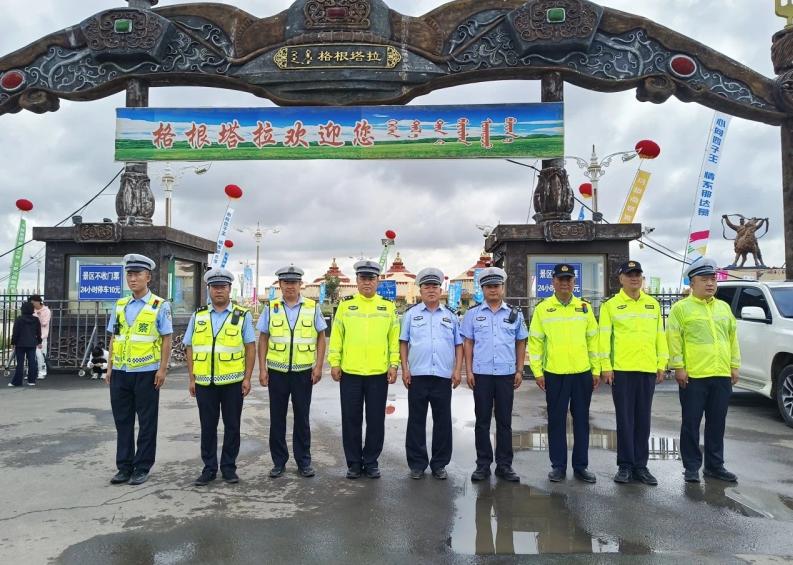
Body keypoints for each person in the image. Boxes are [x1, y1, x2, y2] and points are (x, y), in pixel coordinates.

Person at [667, 256, 740, 483]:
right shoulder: (681, 309)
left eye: (713, 279)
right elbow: (674, 340)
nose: (710, 283)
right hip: (694, 376)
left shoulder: (723, 308)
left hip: (720, 374)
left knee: (717, 422)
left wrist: (734, 365)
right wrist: (678, 367)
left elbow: (732, 338)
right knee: (691, 422)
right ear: (692, 283)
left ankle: (715, 466)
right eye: (704, 279)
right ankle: (691, 467)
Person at [529, 263, 600, 484]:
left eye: (569, 279)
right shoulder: (543, 308)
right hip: (555, 373)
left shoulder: (584, 308)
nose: (565, 283)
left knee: (581, 421)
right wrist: (538, 372)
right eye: (561, 279)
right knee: (556, 421)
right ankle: (558, 466)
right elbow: (536, 342)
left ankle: (581, 467)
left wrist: (595, 370)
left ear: (574, 282)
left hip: (581, 373)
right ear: (553, 282)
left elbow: (593, 341)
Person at [329, 260, 400, 479]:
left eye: (371, 278)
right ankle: (353, 463)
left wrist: (393, 364)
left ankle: (371, 462)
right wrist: (335, 362)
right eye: (363, 278)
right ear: (357, 281)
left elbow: (393, 339)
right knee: (351, 419)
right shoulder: (345, 305)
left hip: (378, 373)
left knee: (376, 419)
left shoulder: (388, 307)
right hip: (350, 372)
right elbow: (337, 335)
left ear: (377, 281)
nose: (367, 282)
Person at [599, 261, 668, 485]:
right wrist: (606, 367)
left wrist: (661, 363)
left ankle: (641, 466)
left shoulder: (653, 304)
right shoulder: (611, 306)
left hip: (647, 369)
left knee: (643, 419)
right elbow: (604, 339)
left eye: (638, 274)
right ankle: (625, 465)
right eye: (629, 275)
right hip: (622, 370)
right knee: (625, 420)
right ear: (621, 278)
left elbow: (660, 336)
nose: (634, 278)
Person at [106, 254, 172, 486]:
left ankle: (142, 466)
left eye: (137, 274)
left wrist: (162, 369)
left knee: (146, 422)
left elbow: (167, 339)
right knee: (122, 421)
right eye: (129, 274)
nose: (132, 279)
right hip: (121, 372)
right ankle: (124, 467)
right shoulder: (120, 304)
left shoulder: (159, 306)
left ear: (148, 277)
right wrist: (110, 367)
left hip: (147, 372)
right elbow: (115, 336)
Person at [186, 268, 255, 486]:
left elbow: (250, 347)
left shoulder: (241, 316)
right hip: (205, 382)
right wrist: (191, 378)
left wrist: (247, 378)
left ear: (229, 289)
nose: (218, 291)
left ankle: (228, 468)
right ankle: (209, 468)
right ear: (208, 290)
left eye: (222, 287)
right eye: (214, 287)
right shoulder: (198, 316)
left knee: (232, 426)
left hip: (233, 382)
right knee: (208, 427)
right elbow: (189, 347)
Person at [257, 265, 327, 479]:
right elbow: (263, 338)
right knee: (277, 418)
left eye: (293, 282)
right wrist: (262, 369)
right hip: (277, 371)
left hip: (303, 372)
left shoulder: (312, 307)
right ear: (280, 285)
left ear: (300, 285)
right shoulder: (271, 307)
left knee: (302, 418)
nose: (289, 286)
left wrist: (318, 366)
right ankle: (278, 462)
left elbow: (321, 338)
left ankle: (304, 462)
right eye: (285, 282)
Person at [461, 267, 528, 483]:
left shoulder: (514, 313)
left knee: (504, 422)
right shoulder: (473, 314)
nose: (492, 290)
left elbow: (520, 342)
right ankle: (482, 465)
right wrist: (468, 371)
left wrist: (519, 370)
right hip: (481, 375)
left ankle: (504, 465)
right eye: (488, 286)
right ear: (482, 289)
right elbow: (468, 343)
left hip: (506, 375)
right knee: (482, 421)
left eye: (496, 286)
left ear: (502, 288)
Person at [400, 267, 463, 480]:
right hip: (417, 375)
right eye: (427, 286)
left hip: (442, 375)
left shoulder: (451, 316)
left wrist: (457, 370)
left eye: (435, 286)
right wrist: (405, 369)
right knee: (416, 420)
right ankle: (417, 464)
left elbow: (459, 345)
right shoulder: (411, 315)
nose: (431, 290)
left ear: (440, 289)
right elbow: (404, 343)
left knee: (443, 421)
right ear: (421, 289)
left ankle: (439, 464)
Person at [9, 301, 41, 387]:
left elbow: (15, 332)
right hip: (32, 343)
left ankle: (17, 382)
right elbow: (38, 332)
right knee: (32, 362)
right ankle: (32, 381)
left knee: (20, 363)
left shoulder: (19, 319)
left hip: (20, 343)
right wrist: (39, 342)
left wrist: (13, 342)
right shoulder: (36, 319)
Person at [29, 295, 50, 379]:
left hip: (42, 336)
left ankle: (42, 372)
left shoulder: (46, 310)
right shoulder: (31, 310)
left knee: (41, 355)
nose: (32, 304)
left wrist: (38, 316)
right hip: (31, 336)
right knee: (31, 355)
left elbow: (44, 323)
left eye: (33, 302)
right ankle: (31, 372)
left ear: (37, 301)